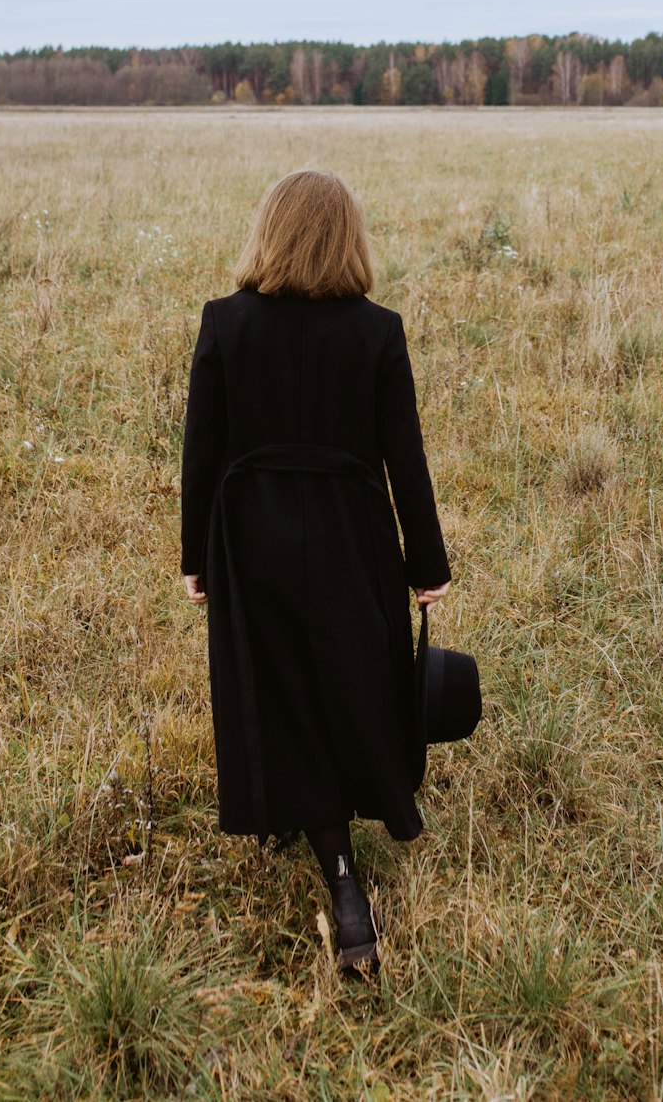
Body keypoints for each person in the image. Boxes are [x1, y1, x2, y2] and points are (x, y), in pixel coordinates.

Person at [179, 168, 451, 973]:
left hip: (249, 532)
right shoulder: (377, 331)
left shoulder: (225, 324)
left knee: (278, 681)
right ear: (348, 240)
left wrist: (197, 555)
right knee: (346, 679)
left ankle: (333, 862)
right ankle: (340, 868)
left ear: (269, 231)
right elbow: (406, 456)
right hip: (351, 535)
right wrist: (424, 563)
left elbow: (203, 452)